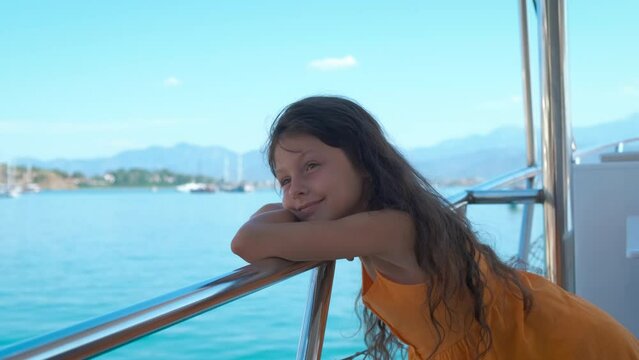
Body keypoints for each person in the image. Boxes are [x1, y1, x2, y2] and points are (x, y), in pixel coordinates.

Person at [231, 96, 639, 359]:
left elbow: (248, 241)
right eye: (284, 180)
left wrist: (285, 210)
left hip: (561, 345)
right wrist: (291, 204)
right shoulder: (391, 216)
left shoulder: (388, 227)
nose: (296, 190)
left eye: (312, 167)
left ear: (365, 165)